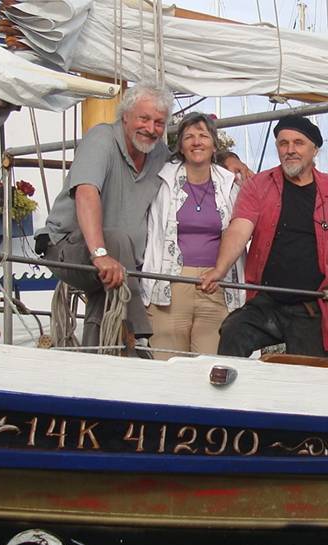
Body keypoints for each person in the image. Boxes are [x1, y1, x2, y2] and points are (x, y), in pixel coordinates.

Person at [39, 82, 250, 351]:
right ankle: (139, 335)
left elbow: (194, 158)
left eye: (159, 123)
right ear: (125, 116)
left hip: (121, 264)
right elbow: (86, 193)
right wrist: (100, 253)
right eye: (144, 118)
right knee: (116, 241)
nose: (151, 129)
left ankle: (96, 360)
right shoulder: (101, 139)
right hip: (73, 248)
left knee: (108, 292)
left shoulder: (158, 154)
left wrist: (227, 158)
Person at [200, 115, 328, 357]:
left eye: (298, 143)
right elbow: (239, 229)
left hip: (313, 308)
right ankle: (235, 394)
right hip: (267, 302)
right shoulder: (259, 186)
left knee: (307, 380)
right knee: (233, 331)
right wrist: (219, 270)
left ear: (314, 149)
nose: (290, 150)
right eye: (283, 144)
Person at [140, 112, 245, 354]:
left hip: (217, 284)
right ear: (180, 146)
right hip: (171, 283)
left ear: (214, 144)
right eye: (189, 137)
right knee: (168, 365)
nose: (196, 142)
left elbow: (242, 229)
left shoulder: (231, 184)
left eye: (203, 136)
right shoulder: (161, 180)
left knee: (210, 365)